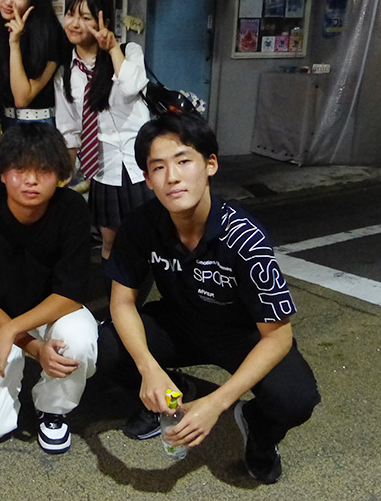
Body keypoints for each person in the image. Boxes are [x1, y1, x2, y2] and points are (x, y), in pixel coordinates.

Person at [96, 109, 320, 484]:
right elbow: (122, 302)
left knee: (295, 398)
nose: (172, 177)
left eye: (184, 161)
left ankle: (258, 428)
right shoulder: (142, 223)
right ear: (147, 179)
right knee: (105, 344)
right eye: (158, 167)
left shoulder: (245, 239)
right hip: (181, 324)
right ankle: (169, 392)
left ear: (210, 164)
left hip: (243, 335)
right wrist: (149, 369)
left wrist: (218, 403)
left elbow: (278, 336)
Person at [0, 122, 98, 454]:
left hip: (48, 316)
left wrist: (14, 331)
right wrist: (29, 345)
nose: (31, 180)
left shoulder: (72, 209)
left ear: (59, 175)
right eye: (20, 169)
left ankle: (53, 409)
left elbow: (70, 293)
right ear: (3, 173)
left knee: (78, 339)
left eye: (44, 170)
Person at [55, 0, 152, 265]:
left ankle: (147, 289)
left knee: (147, 238)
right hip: (104, 167)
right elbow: (69, 129)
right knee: (110, 242)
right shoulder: (65, 72)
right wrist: (66, 174)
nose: (74, 23)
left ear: (103, 21)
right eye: (71, 14)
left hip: (139, 163)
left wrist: (111, 49)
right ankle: (115, 290)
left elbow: (132, 86)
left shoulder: (129, 51)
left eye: (85, 17)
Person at [0, 0, 65, 146]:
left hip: (39, 127)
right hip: (8, 122)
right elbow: (2, 76)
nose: (8, 1)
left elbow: (22, 98)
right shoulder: (6, 26)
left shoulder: (51, 34)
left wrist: (14, 44)